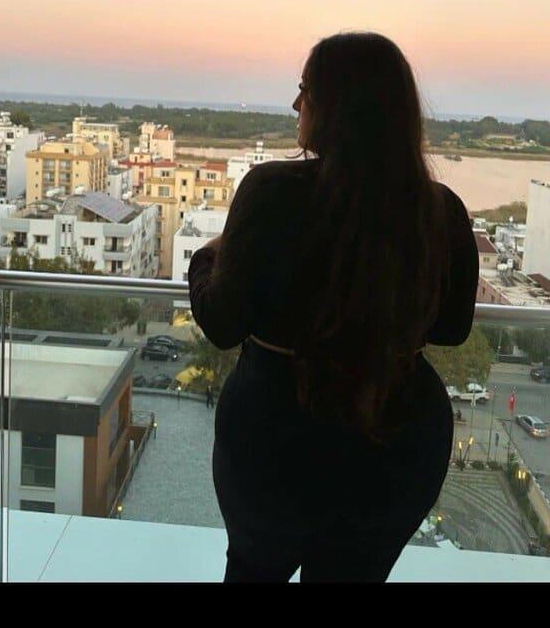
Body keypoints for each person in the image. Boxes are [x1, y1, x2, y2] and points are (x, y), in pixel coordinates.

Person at [188, 32, 479, 582]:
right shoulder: (438, 209)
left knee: (253, 570)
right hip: (396, 441)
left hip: (277, 440)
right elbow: (452, 328)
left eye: (306, 90)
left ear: (337, 106)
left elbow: (221, 323)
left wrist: (207, 258)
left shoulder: (271, 190)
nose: (296, 104)